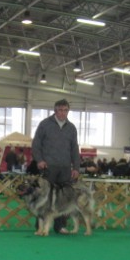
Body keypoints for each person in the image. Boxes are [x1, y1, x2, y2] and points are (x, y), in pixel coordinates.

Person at [31, 98, 81, 234]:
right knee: (43, 198)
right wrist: (39, 160)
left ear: (68, 111)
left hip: (65, 168)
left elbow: (74, 149)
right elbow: (36, 144)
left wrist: (76, 167)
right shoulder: (44, 124)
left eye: (65, 110)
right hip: (48, 167)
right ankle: (40, 227)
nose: (62, 113)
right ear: (55, 110)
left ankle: (60, 227)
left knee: (63, 199)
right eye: (60, 110)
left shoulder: (71, 128)